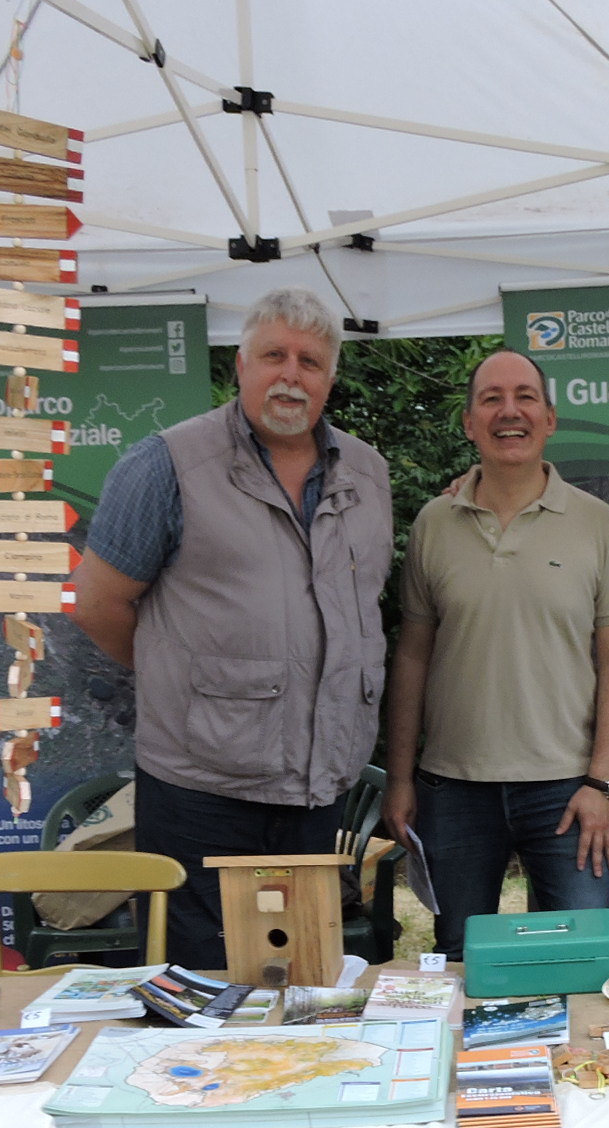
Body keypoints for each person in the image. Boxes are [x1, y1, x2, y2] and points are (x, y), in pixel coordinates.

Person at [70, 287, 393, 970]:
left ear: (329, 380)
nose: (290, 374)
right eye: (273, 354)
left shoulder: (368, 474)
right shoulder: (165, 466)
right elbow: (98, 605)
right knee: (202, 989)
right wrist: (182, 683)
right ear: (240, 366)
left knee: (300, 981)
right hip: (200, 792)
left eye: (310, 361)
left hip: (315, 786)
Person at [379, 350, 609, 957]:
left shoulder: (598, 524)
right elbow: (412, 656)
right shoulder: (433, 523)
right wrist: (400, 776)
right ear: (469, 422)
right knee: (461, 963)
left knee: (577, 960)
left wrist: (604, 782)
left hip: (568, 789)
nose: (508, 411)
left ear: (550, 417)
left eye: (524, 397)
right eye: (491, 398)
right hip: (453, 788)